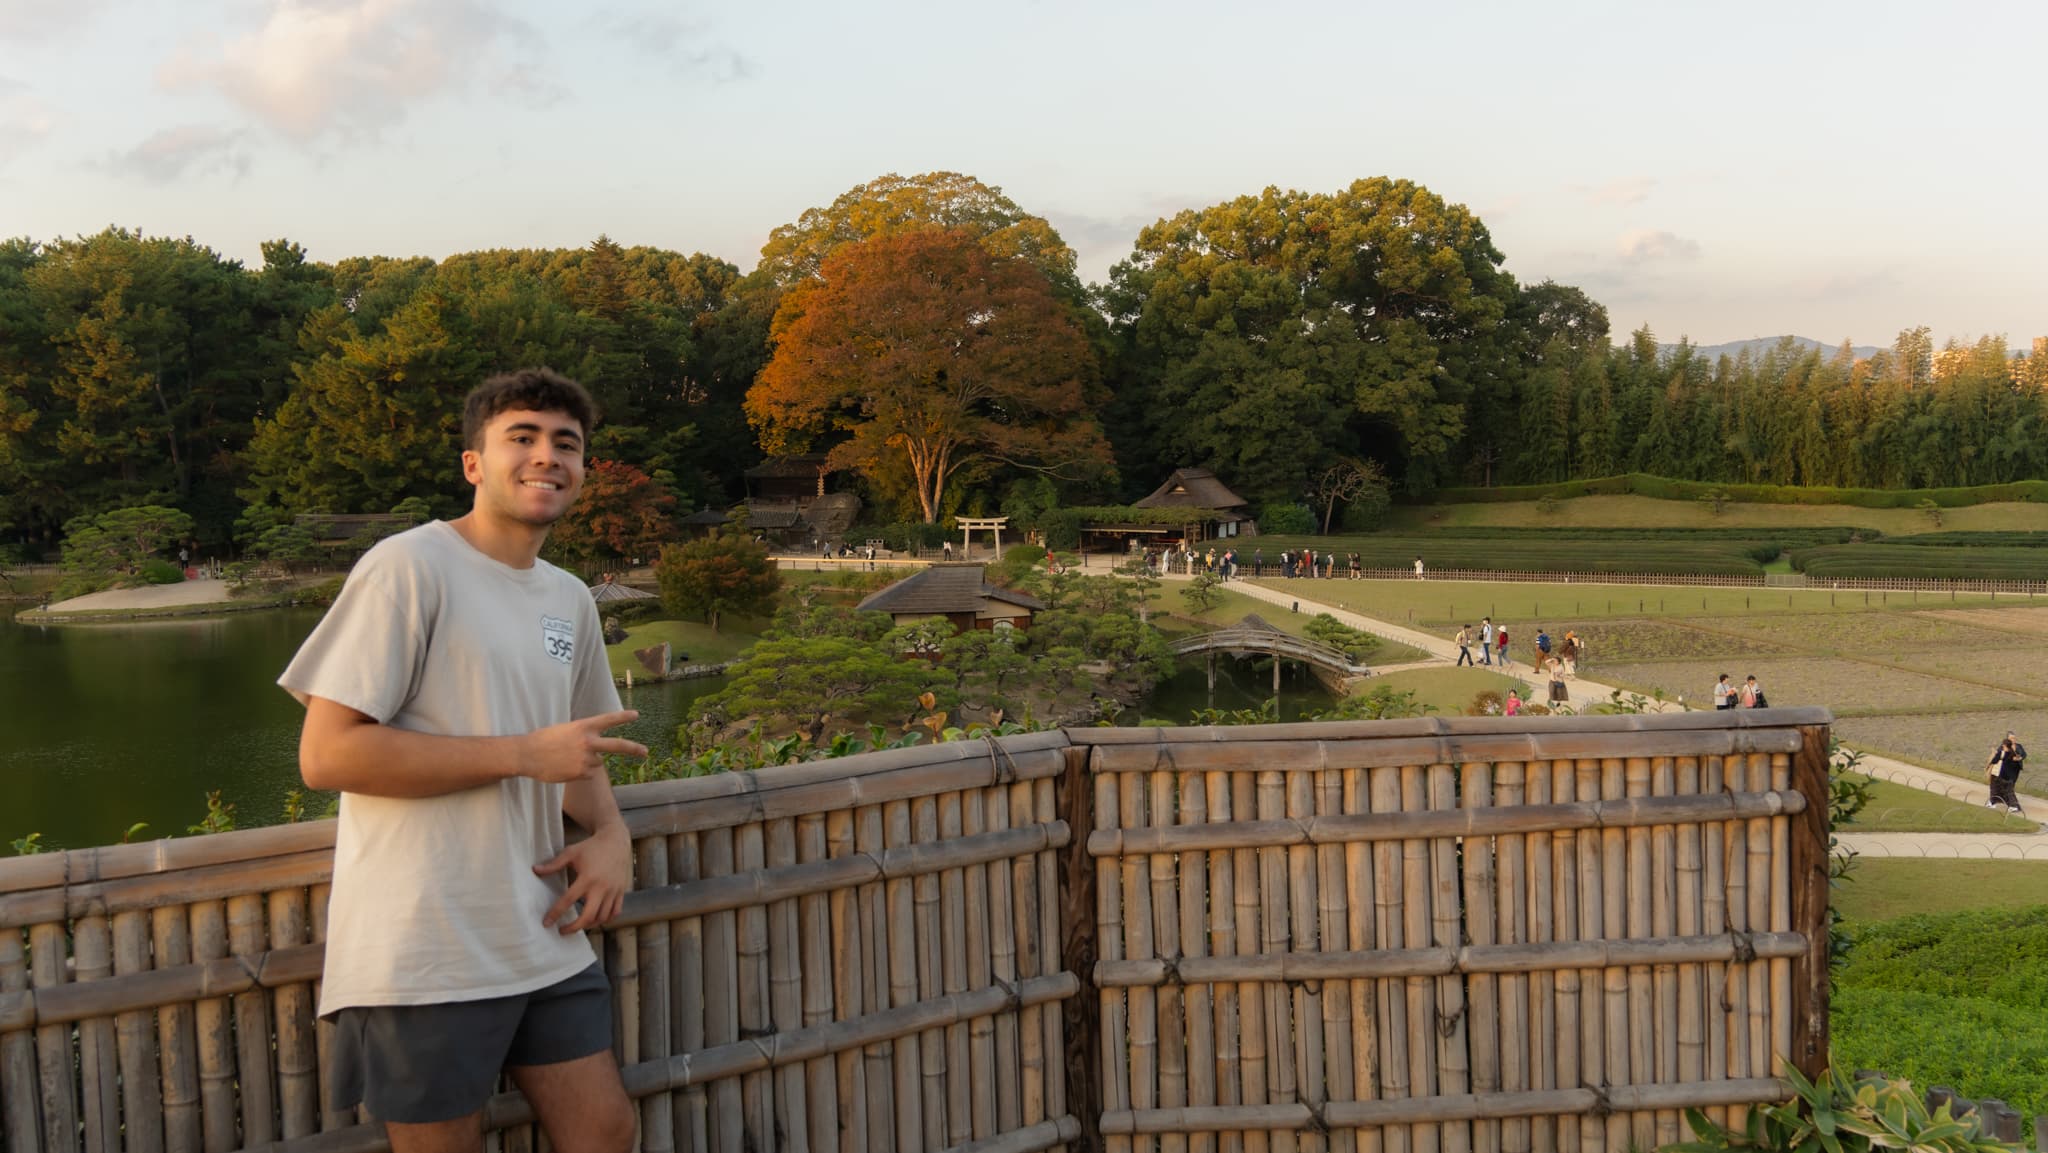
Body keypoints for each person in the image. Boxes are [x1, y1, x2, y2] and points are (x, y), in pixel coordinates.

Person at [278, 369, 643, 1153]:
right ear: (474, 463)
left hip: (541, 926)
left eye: (566, 444)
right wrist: (522, 753)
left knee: (607, 1131)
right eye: (523, 437)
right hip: (426, 943)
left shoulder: (569, 597)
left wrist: (611, 832)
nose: (547, 456)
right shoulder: (409, 567)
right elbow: (327, 752)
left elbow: (578, 747)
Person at [1987, 732, 2028, 814]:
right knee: (2003, 788)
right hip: (2005, 772)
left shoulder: (2013, 749)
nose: (2014, 739)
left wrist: (1992, 759)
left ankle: (2013, 805)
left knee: (2005, 788)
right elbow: (1999, 756)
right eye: (2012, 738)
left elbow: (1995, 760)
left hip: (2009, 772)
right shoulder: (2006, 751)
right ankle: (1995, 802)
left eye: (2014, 738)